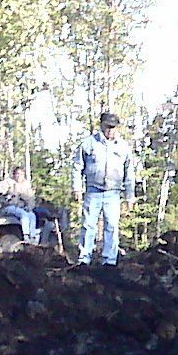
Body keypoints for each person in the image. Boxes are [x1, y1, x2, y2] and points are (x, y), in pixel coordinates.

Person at [71, 111, 136, 265]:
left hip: (113, 193)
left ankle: (109, 260)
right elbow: (77, 167)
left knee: (112, 227)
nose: (111, 130)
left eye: (114, 127)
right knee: (88, 225)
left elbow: (129, 173)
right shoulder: (89, 144)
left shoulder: (123, 147)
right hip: (93, 191)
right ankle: (84, 258)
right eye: (108, 127)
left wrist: (130, 196)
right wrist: (77, 188)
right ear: (101, 126)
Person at [0, 166, 39, 244]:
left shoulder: (26, 185)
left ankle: (33, 237)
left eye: (21, 174)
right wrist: (4, 194)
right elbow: (0, 193)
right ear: (14, 175)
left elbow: (31, 199)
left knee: (32, 215)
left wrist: (29, 207)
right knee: (24, 215)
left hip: (21, 207)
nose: (19, 176)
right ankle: (26, 237)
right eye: (17, 174)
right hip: (9, 207)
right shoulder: (8, 182)